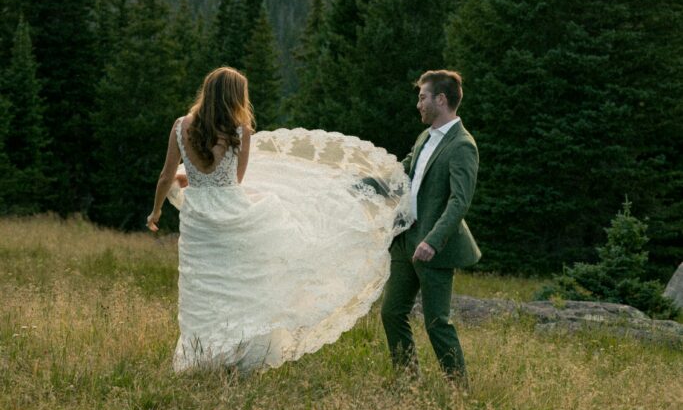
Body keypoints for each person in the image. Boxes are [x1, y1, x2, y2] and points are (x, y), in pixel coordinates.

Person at [147, 66, 411, 372]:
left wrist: (157, 210)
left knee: (202, 285)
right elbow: (237, 179)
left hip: (198, 219)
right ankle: (236, 354)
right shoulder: (240, 131)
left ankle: (199, 356)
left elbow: (167, 175)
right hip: (232, 214)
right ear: (235, 97)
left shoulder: (181, 126)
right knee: (238, 284)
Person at [380, 69, 480, 385]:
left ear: (441, 99)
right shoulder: (425, 137)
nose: (418, 104)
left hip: (433, 248)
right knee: (392, 313)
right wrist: (360, 184)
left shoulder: (463, 145)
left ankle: (460, 391)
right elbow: (403, 175)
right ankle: (408, 383)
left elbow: (459, 201)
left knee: (437, 322)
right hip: (406, 241)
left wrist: (433, 241)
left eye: (422, 97)